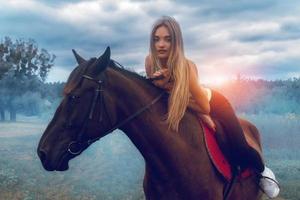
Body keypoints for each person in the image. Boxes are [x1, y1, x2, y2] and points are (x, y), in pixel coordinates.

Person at [145, 16, 279, 198]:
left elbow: (204, 106)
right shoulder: (150, 62)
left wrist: (201, 114)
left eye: (167, 39)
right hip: (185, 106)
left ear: (177, 42)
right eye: (156, 39)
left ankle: (263, 172)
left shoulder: (186, 67)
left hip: (212, 102)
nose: (161, 44)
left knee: (239, 147)